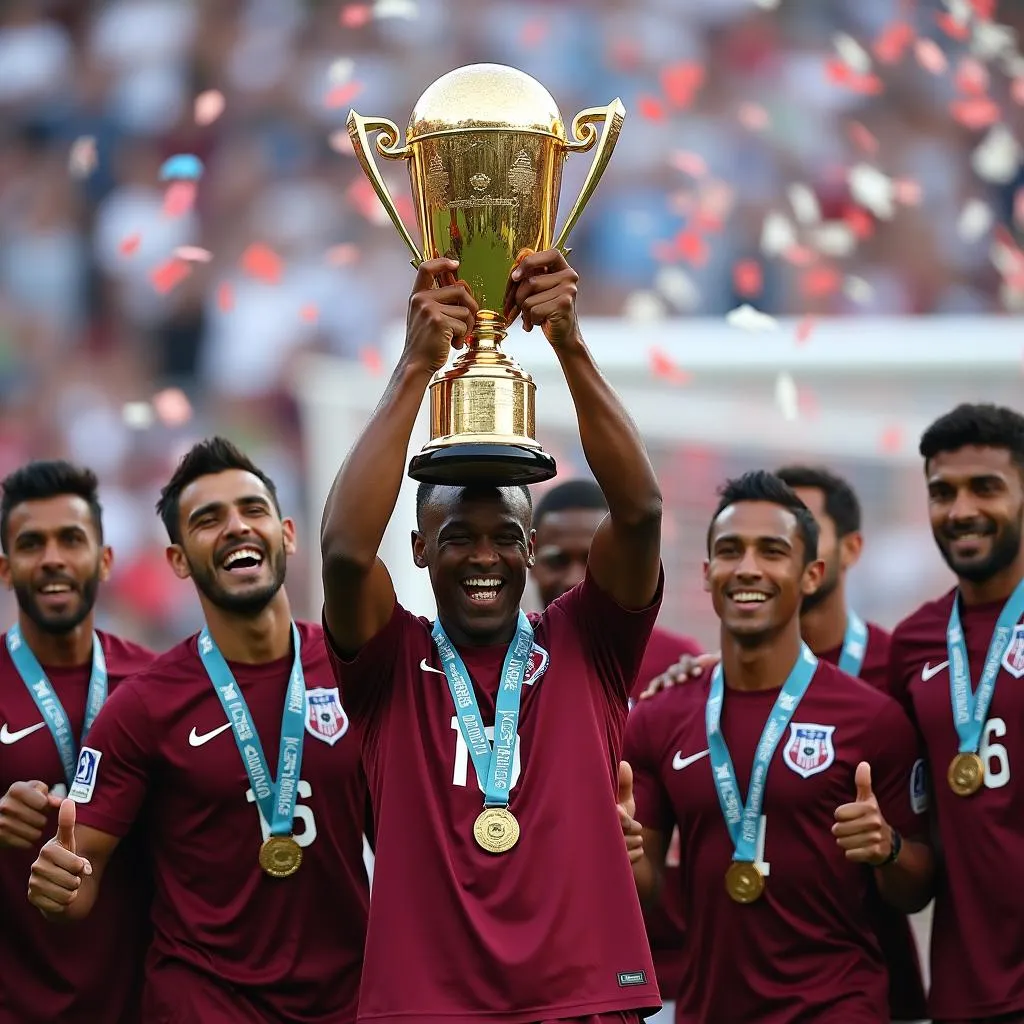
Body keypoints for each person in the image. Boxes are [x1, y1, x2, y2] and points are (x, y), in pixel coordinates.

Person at [320, 251, 664, 1023]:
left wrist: (570, 344)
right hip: (427, 1006)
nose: (484, 557)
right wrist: (415, 367)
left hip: (581, 1001)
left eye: (505, 536)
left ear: (532, 547)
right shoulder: (389, 661)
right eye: (456, 539)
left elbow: (639, 512)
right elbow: (343, 552)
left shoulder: (587, 643)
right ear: (417, 550)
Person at [28, 439, 370, 1023]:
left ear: (287, 535)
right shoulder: (143, 707)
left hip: (351, 999)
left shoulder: (357, 672)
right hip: (206, 1003)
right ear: (179, 559)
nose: (236, 527)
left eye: (252, 510)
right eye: (208, 520)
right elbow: (78, 878)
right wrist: (58, 884)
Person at [624, 470, 933, 1023]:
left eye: (772, 551)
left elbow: (918, 887)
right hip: (708, 1008)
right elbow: (643, 897)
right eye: (729, 551)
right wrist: (622, 857)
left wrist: (885, 847)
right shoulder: (661, 714)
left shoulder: (872, 718)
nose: (748, 567)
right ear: (707, 572)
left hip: (839, 1008)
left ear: (811, 574)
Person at [530, 476, 699, 1023]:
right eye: (559, 557)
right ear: (529, 556)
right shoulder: (493, 664)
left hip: (662, 966)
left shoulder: (679, 666)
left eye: (593, 558)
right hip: (544, 964)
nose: (577, 577)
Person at [0, 460, 154, 1024]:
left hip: (139, 1005)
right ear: (4, 568)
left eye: (71, 539)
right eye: (31, 544)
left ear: (105, 559)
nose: (53, 559)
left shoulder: (158, 686)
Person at [774, 464, 928, 1023]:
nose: (787, 551)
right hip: (744, 987)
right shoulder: (717, 688)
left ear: (852, 548)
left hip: (876, 988)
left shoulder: (906, 668)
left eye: (804, 530)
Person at [888, 403, 1024, 1024]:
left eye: (986, 488)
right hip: (968, 993)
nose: (961, 509)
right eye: (943, 492)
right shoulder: (914, 641)